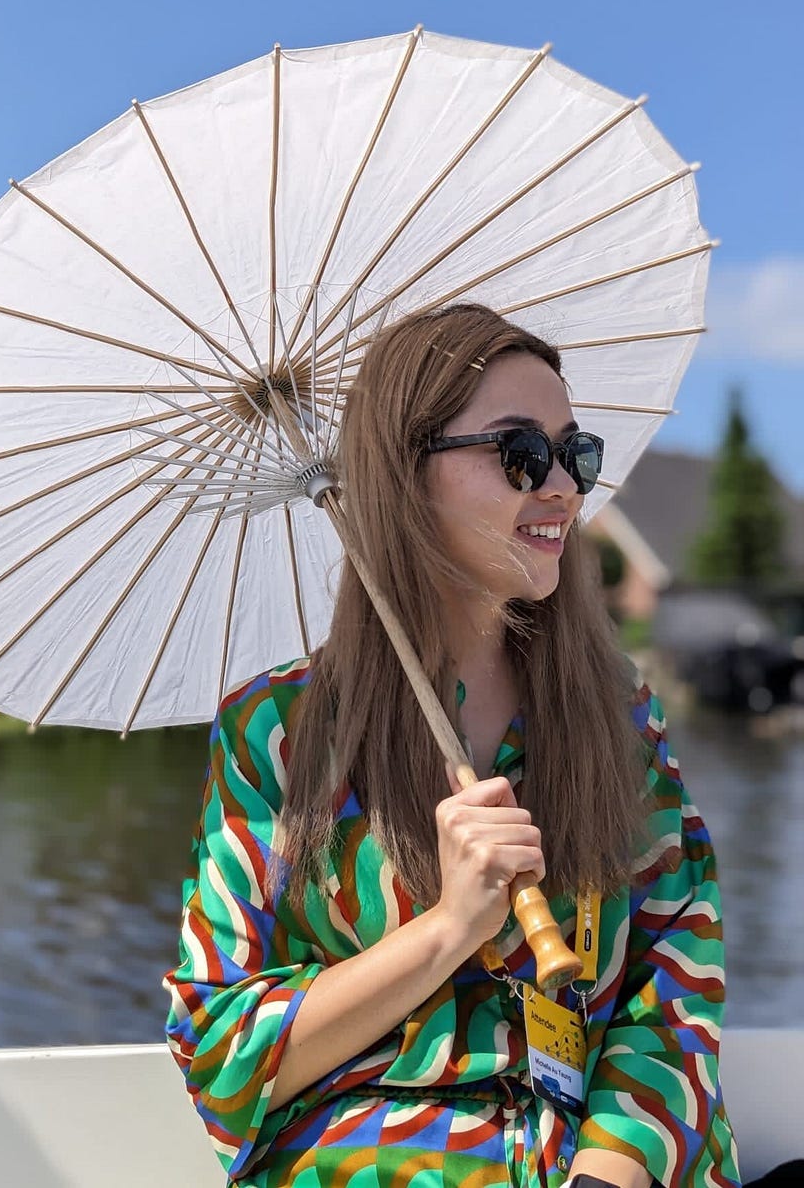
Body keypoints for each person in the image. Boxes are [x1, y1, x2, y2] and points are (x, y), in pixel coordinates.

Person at [163, 303, 741, 1188]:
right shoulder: (273, 733)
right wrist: (449, 927)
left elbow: (676, 978)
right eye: (520, 453)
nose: (561, 487)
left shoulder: (617, 713)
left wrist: (604, 1177)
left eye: (574, 452)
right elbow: (222, 1050)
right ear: (406, 477)